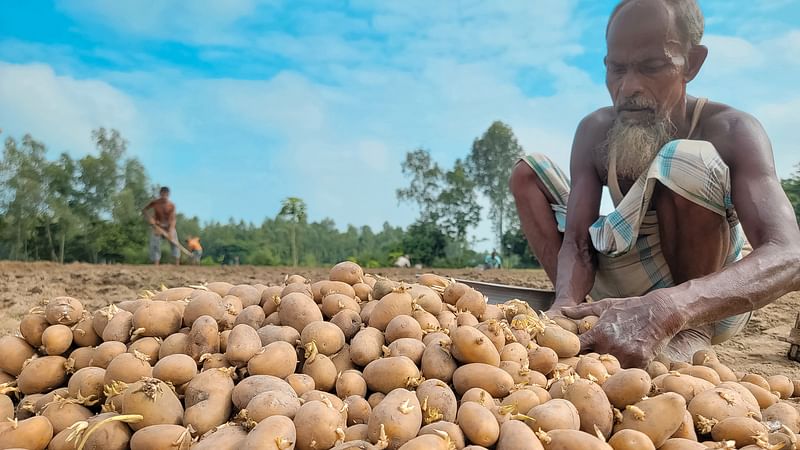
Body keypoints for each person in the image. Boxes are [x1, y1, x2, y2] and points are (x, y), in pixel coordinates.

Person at [509, 0, 800, 368]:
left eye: (652, 67)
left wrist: (670, 307)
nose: (629, 87)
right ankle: (578, 311)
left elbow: (790, 254)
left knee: (684, 158)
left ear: (691, 64)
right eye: (616, 69)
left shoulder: (732, 129)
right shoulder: (595, 130)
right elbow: (578, 242)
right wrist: (565, 306)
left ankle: (690, 335)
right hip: (621, 275)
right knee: (527, 171)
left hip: (704, 303)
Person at [142, 186, 180, 266]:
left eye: (166, 194)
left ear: (168, 194)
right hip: (157, 226)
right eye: (162, 194)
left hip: (169, 227)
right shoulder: (155, 203)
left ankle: (177, 263)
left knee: (175, 243)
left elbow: (173, 219)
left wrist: (170, 232)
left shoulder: (171, 205)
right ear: (160, 194)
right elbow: (144, 210)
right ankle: (156, 263)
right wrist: (150, 219)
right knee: (155, 243)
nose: (164, 196)